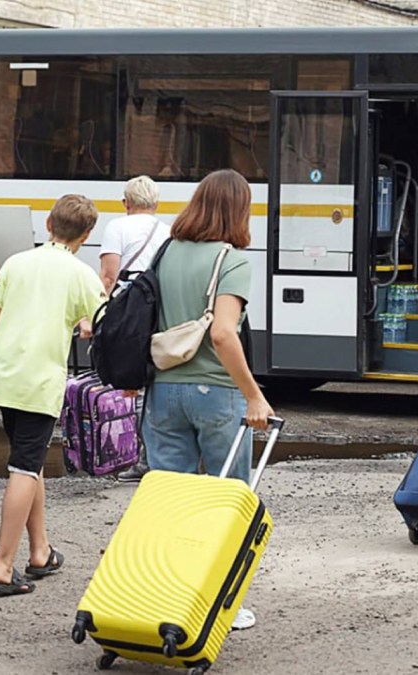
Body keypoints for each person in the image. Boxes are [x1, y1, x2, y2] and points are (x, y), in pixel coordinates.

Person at [0, 194, 106, 596]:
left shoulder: (17, 263)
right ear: (86, 235)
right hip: (39, 382)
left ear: (48, 224)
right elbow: (106, 325)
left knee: (29, 463)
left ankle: (40, 552)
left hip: (5, 378)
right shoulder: (81, 274)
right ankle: (1, 566)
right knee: (22, 468)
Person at [142, 169, 274, 631]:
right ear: (238, 210)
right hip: (216, 394)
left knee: (168, 501)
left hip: (163, 391)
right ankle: (224, 605)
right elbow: (222, 332)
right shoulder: (232, 259)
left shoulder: (167, 253)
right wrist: (253, 395)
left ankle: (166, 596)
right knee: (226, 503)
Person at [99, 176, 172, 484]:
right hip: (158, 307)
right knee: (152, 375)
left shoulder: (117, 227)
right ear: (155, 203)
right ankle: (154, 454)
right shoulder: (168, 230)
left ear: (126, 202)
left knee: (130, 378)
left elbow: (108, 275)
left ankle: (137, 457)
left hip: (129, 310)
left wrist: (98, 314)